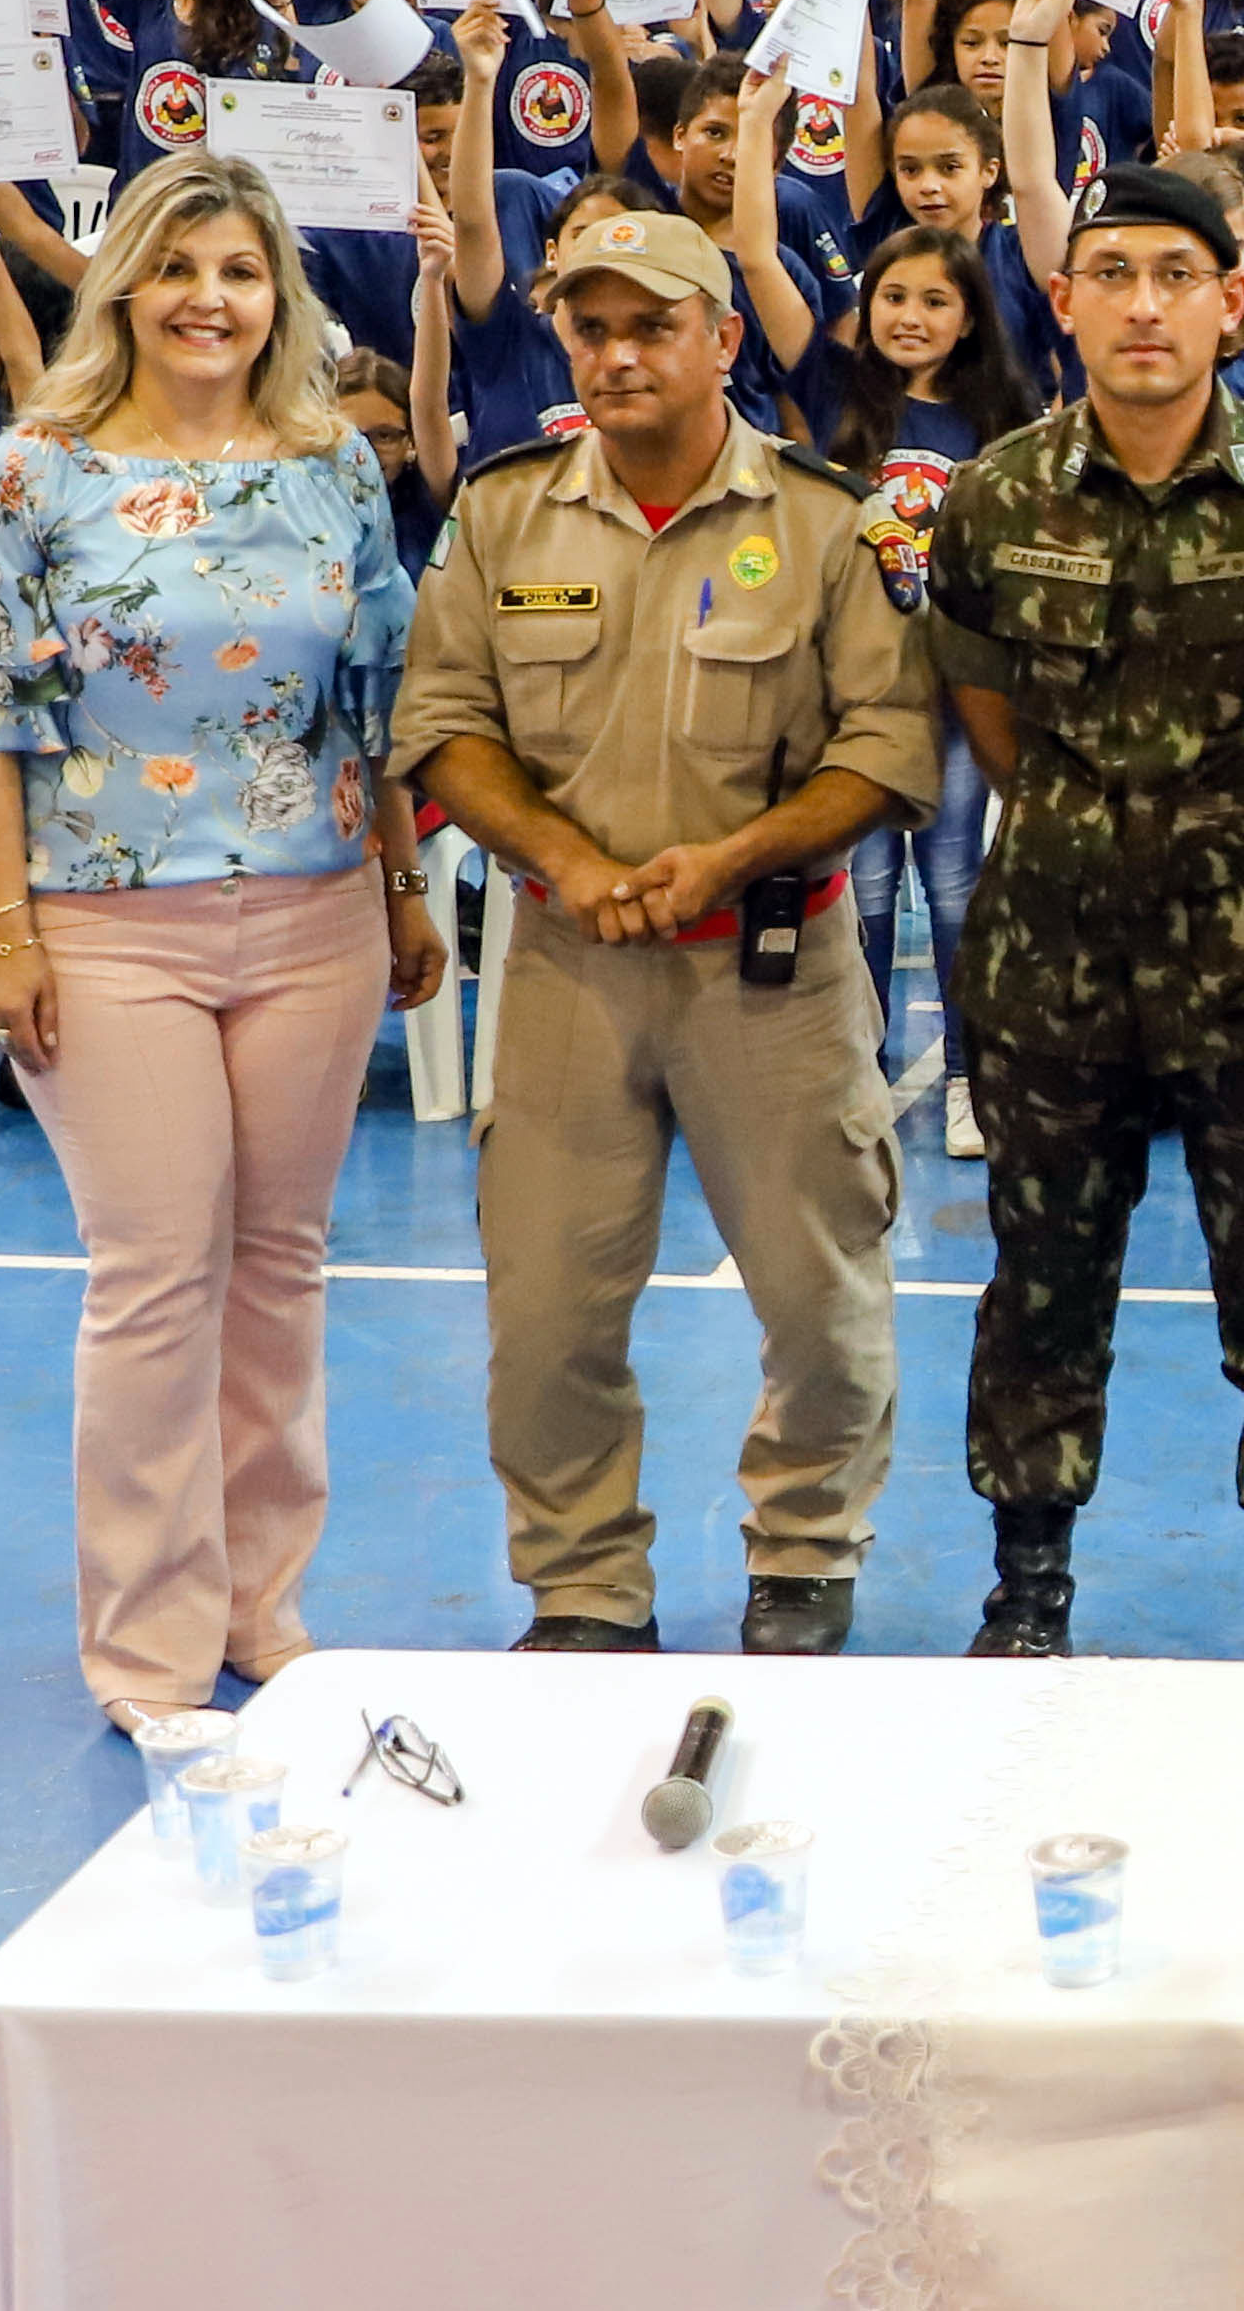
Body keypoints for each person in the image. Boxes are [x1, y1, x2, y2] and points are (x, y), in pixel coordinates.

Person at [0, 154, 444, 1729]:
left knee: (279, 1270)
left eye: (242, 271)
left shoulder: (335, 463)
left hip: (318, 913)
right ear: (122, 280)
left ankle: (264, 1603)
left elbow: (375, 699)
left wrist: (404, 888)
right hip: (102, 927)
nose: (212, 298)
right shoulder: (29, 470)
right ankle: (145, 1643)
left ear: (281, 296)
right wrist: (2, 934)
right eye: (180, 265)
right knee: (154, 1272)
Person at [394, 214, 939, 1663]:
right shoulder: (506, 515)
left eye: (652, 324)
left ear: (722, 340)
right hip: (570, 966)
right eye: (591, 327)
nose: (618, 352)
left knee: (823, 1302)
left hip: (773, 967)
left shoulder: (824, 524)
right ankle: (582, 1586)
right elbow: (442, 720)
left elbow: (888, 742)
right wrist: (566, 859)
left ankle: (808, 1551)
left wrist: (737, 853)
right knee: (547, 1308)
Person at [921, 163, 1244, 1663]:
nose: (1143, 304)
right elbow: (988, 716)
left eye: (1174, 276)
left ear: (1232, 303)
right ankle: (1029, 1577)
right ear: (1060, 302)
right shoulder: (998, 496)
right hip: (1052, 964)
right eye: (1110, 273)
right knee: (1040, 1288)